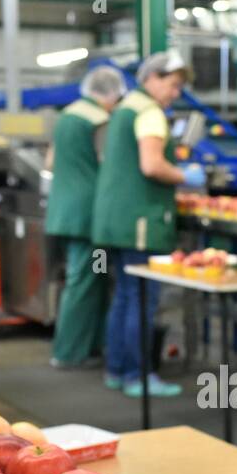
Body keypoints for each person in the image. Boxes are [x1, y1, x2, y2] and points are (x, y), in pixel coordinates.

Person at [91, 50, 205, 398]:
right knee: (142, 297)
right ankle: (138, 375)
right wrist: (186, 174)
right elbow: (152, 165)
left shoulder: (126, 108)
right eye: (172, 85)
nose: (175, 93)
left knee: (125, 295)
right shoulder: (150, 113)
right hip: (141, 220)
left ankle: (118, 370)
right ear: (151, 79)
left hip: (116, 218)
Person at [46, 65, 126, 368]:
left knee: (89, 278)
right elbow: (112, 166)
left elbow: (51, 161)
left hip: (64, 210)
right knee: (84, 280)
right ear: (111, 94)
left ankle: (90, 346)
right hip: (89, 212)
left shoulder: (68, 115)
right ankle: (67, 353)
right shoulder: (100, 121)